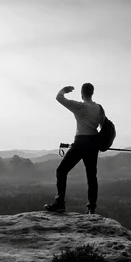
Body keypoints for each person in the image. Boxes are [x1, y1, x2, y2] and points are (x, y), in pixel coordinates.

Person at [44, 83, 103, 214]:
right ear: (92, 93)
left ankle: (59, 203)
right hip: (93, 144)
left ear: (82, 93)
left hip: (80, 142)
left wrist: (65, 90)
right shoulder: (99, 108)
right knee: (92, 177)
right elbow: (104, 126)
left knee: (61, 170)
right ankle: (91, 208)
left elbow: (59, 98)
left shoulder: (80, 106)